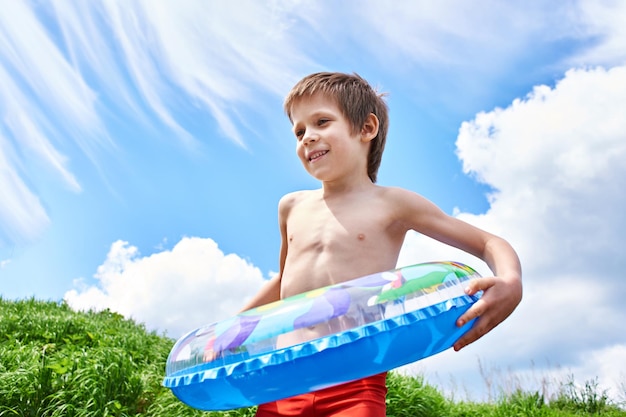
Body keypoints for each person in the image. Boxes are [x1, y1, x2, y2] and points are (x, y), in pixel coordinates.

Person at [241, 72, 522, 417]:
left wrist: (510, 282)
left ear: (366, 129)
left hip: (355, 379)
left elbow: (488, 242)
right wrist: (229, 331)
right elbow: (283, 282)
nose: (307, 137)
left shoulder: (393, 204)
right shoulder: (291, 207)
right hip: (285, 377)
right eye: (299, 131)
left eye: (321, 122)